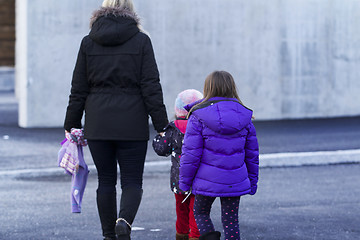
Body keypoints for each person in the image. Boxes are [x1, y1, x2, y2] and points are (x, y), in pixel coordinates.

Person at [63, 0, 168, 239]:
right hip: (132, 124)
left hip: (98, 124)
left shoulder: (88, 42)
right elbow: (151, 86)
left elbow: (78, 88)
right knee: (132, 181)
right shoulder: (142, 41)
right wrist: (162, 125)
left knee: (106, 180)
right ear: (130, 10)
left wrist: (71, 123)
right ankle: (124, 222)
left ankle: (109, 235)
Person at [179, 71, 259, 240]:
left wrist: (185, 183)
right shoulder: (245, 116)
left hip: (206, 180)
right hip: (234, 180)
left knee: (200, 213)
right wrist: (252, 181)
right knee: (231, 221)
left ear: (208, 88)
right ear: (232, 88)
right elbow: (252, 154)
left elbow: (191, 154)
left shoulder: (198, 116)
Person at [153, 89, 203, 240]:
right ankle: (195, 236)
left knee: (181, 210)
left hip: (179, 180)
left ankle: (181, 235)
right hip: (199, 178)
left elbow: (162, 149)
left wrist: (158, 137)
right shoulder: (203, 126)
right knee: (197, 212)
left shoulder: (172, 128)